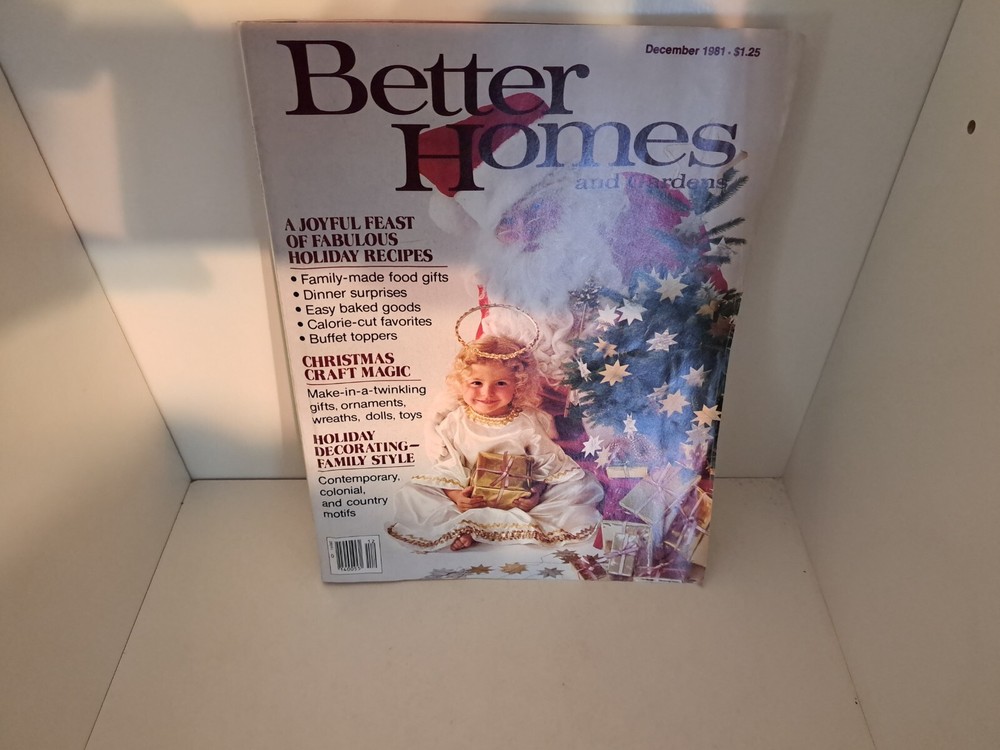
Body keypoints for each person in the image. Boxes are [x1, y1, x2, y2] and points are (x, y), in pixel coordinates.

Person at [387, 334, 603, 551]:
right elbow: (447, 467)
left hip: (516, 498)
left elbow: (544, 465)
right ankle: (468, 524)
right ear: (461, 383)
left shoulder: (528, 421)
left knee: (576, 487)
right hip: (473, 497)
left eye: (500, 383)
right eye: (476, 383)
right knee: (413, 494)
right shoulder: (455, 422)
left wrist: (535, 493)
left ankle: (480, 527)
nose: (487, 393)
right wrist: (457, 496)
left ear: (518, 385)